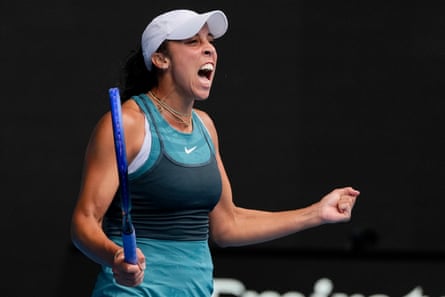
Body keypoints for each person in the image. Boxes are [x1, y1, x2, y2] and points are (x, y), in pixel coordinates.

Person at [70, 8, 360, 297]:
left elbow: (227, 225)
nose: (209, 49)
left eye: (210, 41)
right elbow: (84, 221)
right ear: (161, 59)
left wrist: (316, 213)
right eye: (193, 42)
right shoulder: (129, 124)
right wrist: (115, 256)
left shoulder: (205, 127)